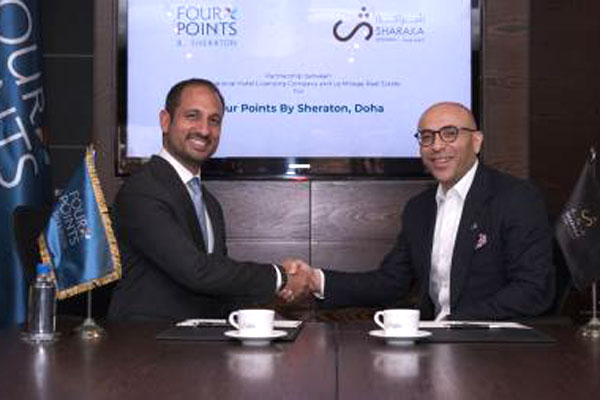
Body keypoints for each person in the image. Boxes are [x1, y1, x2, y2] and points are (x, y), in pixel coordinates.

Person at [286, 102, 555, 320]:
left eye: (449, 133)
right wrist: (314, 279)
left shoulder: (515, 198)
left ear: (476, 141)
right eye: (427, 137)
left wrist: (454, 323)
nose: (436, 146)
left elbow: (533, 288)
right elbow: (391, 283)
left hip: (497, 348)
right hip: (436, 347)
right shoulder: (419, 208)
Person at [108, 78, 307, 321]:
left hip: (198, 338)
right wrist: (279, 277)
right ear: (165, 121)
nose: (204, 130)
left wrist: (272, 308)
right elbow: (197, 271)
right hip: (144, 338)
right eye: (192, 116)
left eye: (214, 120)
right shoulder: (143, 190)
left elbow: (218, 285)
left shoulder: (210, 203)